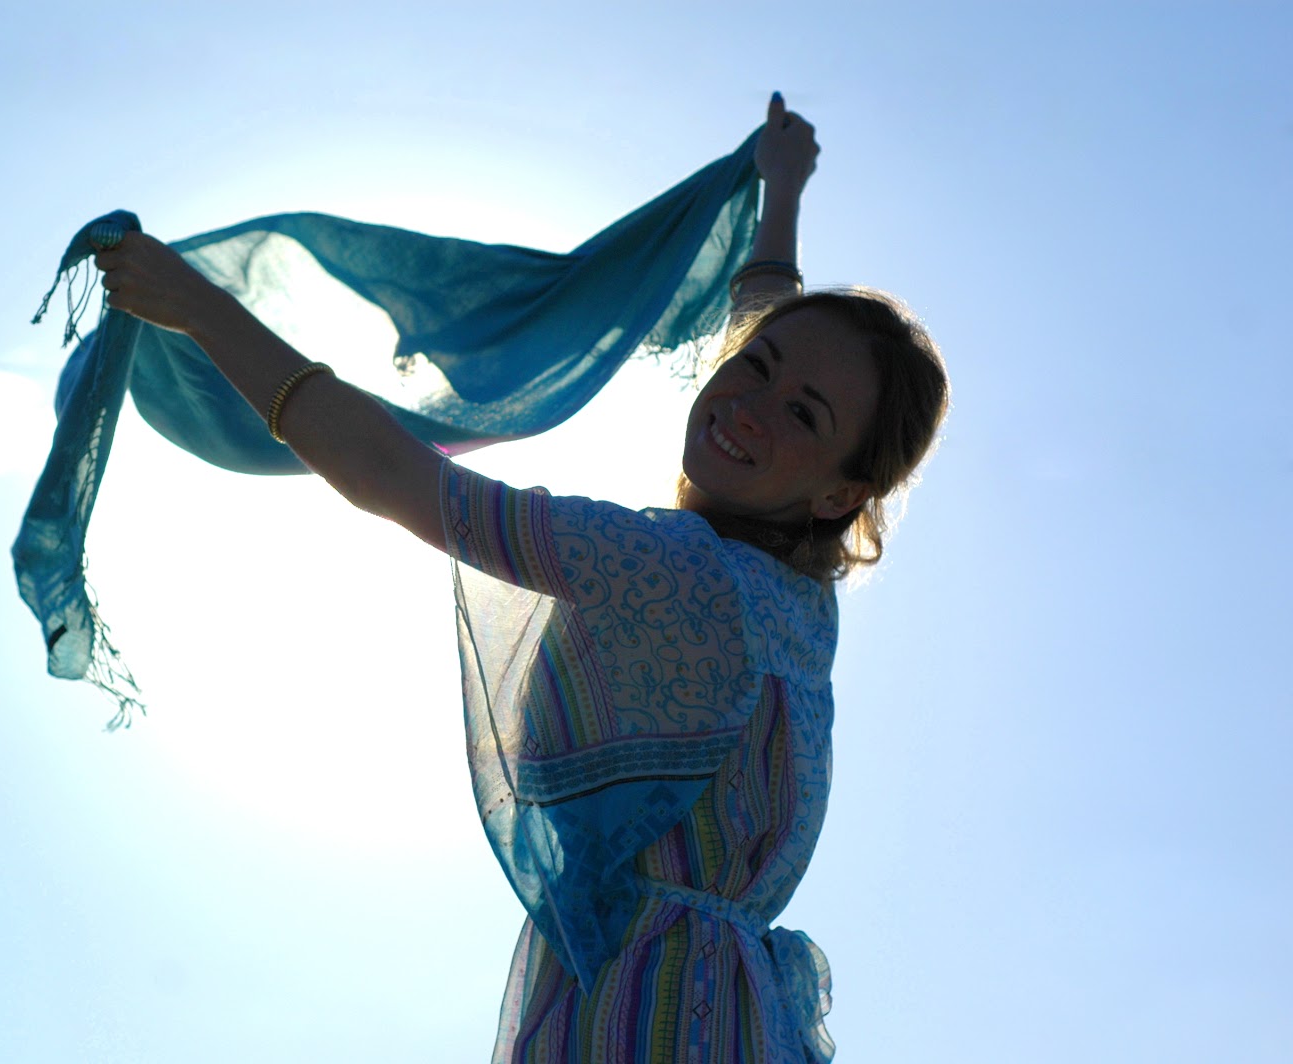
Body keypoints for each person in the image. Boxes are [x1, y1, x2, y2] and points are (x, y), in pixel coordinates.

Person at [90, 91, 948, 1063]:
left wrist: (200, 309)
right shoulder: (797, 595)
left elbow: (394, 476)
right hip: (725, 1010)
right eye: (754, 366)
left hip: (644, 1014)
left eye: (801, 414)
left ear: (841, 494)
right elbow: (774, 328)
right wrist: (779, 188)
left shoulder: (674, 570)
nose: (750, 402)